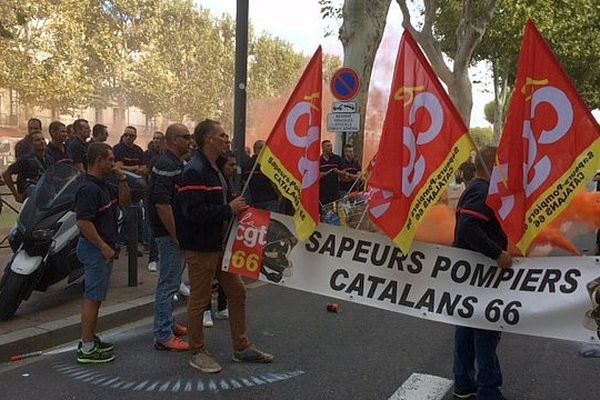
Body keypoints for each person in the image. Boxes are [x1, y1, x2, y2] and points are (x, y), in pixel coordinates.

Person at [174, 119, 273, 373]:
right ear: (208, 139)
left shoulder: (214, 168)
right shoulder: (194, 171)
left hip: (220, 246)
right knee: (200, 299)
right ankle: (197, 352)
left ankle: (242, 347)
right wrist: (228, 208)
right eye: (222, 135)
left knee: (237, 292)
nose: (227, 139)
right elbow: (192, 212)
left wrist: (234, 204)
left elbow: (217, 201)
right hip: (201, 247)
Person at [452, 146, 512, 400]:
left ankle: (464, 383)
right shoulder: (482, 190)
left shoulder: (475, 188)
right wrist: (497, 253)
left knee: (467, 327)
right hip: (481, 274)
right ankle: (488, 390)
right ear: (493, 167)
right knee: (486, 329)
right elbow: (468, 226)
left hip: (471, 273)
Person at [75, 142, 131, 363]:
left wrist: (122, 178)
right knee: (93, 298)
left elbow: (125, 202)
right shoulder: (88, 189)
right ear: (98, 161)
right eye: (109, 159)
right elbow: (83, 223)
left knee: (96, 298)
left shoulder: (103, 185)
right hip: (94, 250)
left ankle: (89, 338)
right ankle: (87, 348)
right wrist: (103, 246)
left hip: (101, 249)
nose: (113, 163)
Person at [148, 124, 192, 351]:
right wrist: (176, 235)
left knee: (173, 282)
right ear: (175, 139)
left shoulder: (174, 162)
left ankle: (168, 323)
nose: (190, 140)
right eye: (186, 137)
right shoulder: (166, 164)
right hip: (168, 234)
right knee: (168, 283)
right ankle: (163, 335)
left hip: (171, 233)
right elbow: (162, 204)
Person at [3, 131, 46, 202]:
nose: (42, 142)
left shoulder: (49, 159)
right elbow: (6, 174)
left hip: (45, 196)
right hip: (29, 197)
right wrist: (16, 194)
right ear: (31, 144)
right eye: (37, 140)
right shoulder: (25, 160)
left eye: (43, 139)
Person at [144, 131, 165, 272]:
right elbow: (150, 178)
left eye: (159, 139)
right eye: (155, 139)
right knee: (154, 230)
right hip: (154, 199)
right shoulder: (152, 159)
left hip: (167, 201)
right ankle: (153, 258)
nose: (156, 141)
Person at [241, 140, 280, 212]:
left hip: (254, 201)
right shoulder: (268, 164)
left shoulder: (246, 165)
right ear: (258, 149)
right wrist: (279, 195)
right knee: (271, 222)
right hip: (270, 199)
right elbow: (274, 182)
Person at [319, 139, 346, 207]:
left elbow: (344, 173)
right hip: (322, 190)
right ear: (323, 148)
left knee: (334, 209)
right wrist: (319, 174)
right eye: (328, 146)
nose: (330, 147)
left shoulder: (337, 158)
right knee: (323, 209)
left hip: (334, 190)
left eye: (331, 145)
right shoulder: (319, 160)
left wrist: (338, 171)